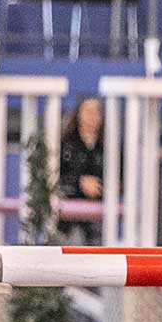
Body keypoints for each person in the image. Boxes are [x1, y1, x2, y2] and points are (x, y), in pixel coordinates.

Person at [57, 97, 105, 244]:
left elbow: (119, 178)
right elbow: (56, 178)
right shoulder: (65, 145)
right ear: (78, 115)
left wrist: (100, 187)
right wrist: (80, 183)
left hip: (99, 217)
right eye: (88, 112)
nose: (93, 117)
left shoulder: (108, 147)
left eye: (97, 112)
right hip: (68, 217)